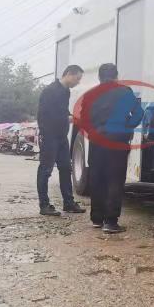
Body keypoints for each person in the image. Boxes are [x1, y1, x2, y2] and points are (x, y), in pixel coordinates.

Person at [83, 63, 143, 234]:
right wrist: (127, 126)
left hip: (96, 141)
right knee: (115, 179)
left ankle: (97, 218)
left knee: (97, 178)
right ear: (116, 76)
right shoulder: (125, 91)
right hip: (117, 140)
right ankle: (110, 222)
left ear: (99, 77)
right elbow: (138, 113)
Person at [37, 65, 86, 216]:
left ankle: (68, 203)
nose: (78, 82)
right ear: (69, 74)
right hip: (49, 136)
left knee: (66, 168)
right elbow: (43, 115)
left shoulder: (66, 91)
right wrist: (66, 118)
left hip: (62, 137)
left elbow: (62, 111)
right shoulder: (50, 91)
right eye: (77, 78)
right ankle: (44, 205)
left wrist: (70, 116)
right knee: (46, 170)